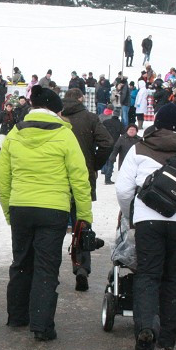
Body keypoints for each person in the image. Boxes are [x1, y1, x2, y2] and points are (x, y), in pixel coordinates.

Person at [115, 103, 176, 350]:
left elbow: (124, 190)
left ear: (156, 124)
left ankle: (146, 328)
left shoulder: (139, 148)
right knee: (173, 275)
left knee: (147, 274)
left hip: (148, 220)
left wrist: (131, 215)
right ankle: (168, 337)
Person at [0, 84, 92, 341]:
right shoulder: (64, 135)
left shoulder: (15, 134)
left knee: (21, 262)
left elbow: (2, 177)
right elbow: (79, 180)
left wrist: (9, 210)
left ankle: (17, 316)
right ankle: (41, 325)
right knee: (46, 267)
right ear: (55, 111)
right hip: (53, 210)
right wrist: (83, 217)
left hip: (21, 208)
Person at [62, 88, 113, 290]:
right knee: (82, 224)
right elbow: (107, 142)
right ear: (81, 99)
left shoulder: (59, 118)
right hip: (83, 177)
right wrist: (94, 164)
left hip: (58, 178)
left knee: (53, 228)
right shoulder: (90, 118)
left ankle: (48, 273)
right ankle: (82, 267)